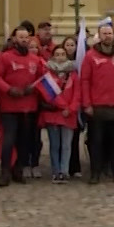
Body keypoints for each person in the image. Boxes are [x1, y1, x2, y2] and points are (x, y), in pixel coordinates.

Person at [0, 21, 45, 187]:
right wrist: (9, 90)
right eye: (21, 37)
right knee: (9, 139)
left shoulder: (35, 60)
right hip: (9, 107)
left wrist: (33, 89)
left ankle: (18, 169)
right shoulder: (5, 57)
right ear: (14, 39)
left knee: (24, 141)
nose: (24, 40)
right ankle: (5, 170)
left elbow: (42, 79)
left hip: (28, 107)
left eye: (26, 37)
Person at [80, 21, 114, 184]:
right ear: (99, 36)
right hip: (97, 108)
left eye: (110, 33)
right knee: (96, 142)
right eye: (104, 33)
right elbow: (85, 81)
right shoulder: (90, 56)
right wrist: (87, 104)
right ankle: (95, 172)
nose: (108, 36)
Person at [37, 45, 79, 183]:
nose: (60, 57)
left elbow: (77, 94)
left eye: (63, 54)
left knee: (67, 145)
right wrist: (63, 106)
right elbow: (48, 94)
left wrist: (70, 109)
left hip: (69, 114)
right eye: (57, 54)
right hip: (53, 114)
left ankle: (64, 171)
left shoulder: (73, 74)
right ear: (53, 56)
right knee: (55, 145)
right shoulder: (47, 74)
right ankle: (56, 171)